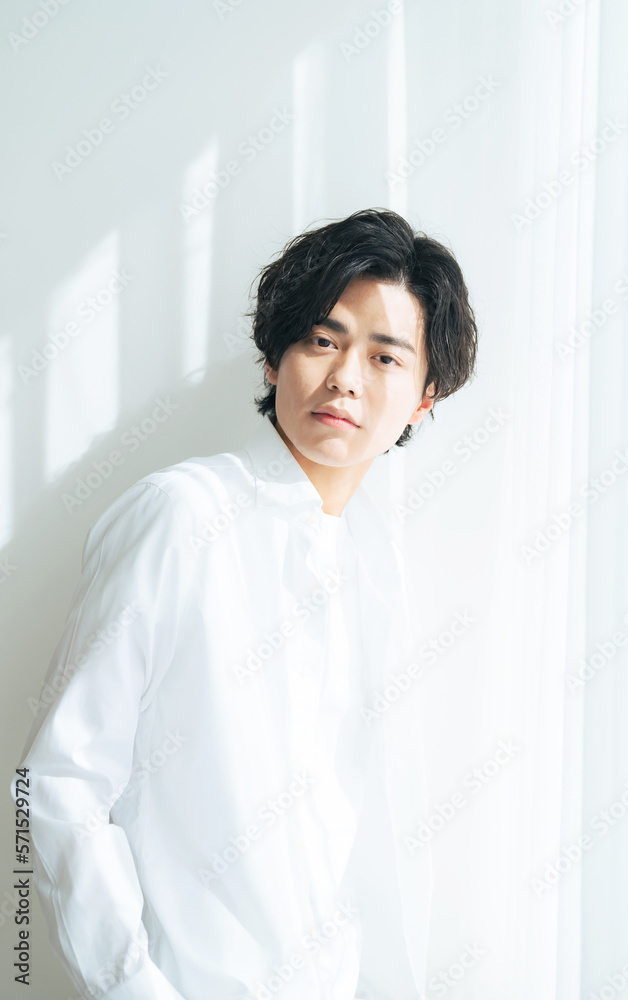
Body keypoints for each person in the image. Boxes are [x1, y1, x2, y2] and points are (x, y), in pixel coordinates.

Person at [11, 207, 478, 1000]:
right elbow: (56, 783)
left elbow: (366, 833)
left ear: (424, 396)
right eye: (322, 340)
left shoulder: (374, 560)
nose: (345, 378)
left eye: (384, 357)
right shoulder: (183, 515)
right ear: (273, 358)